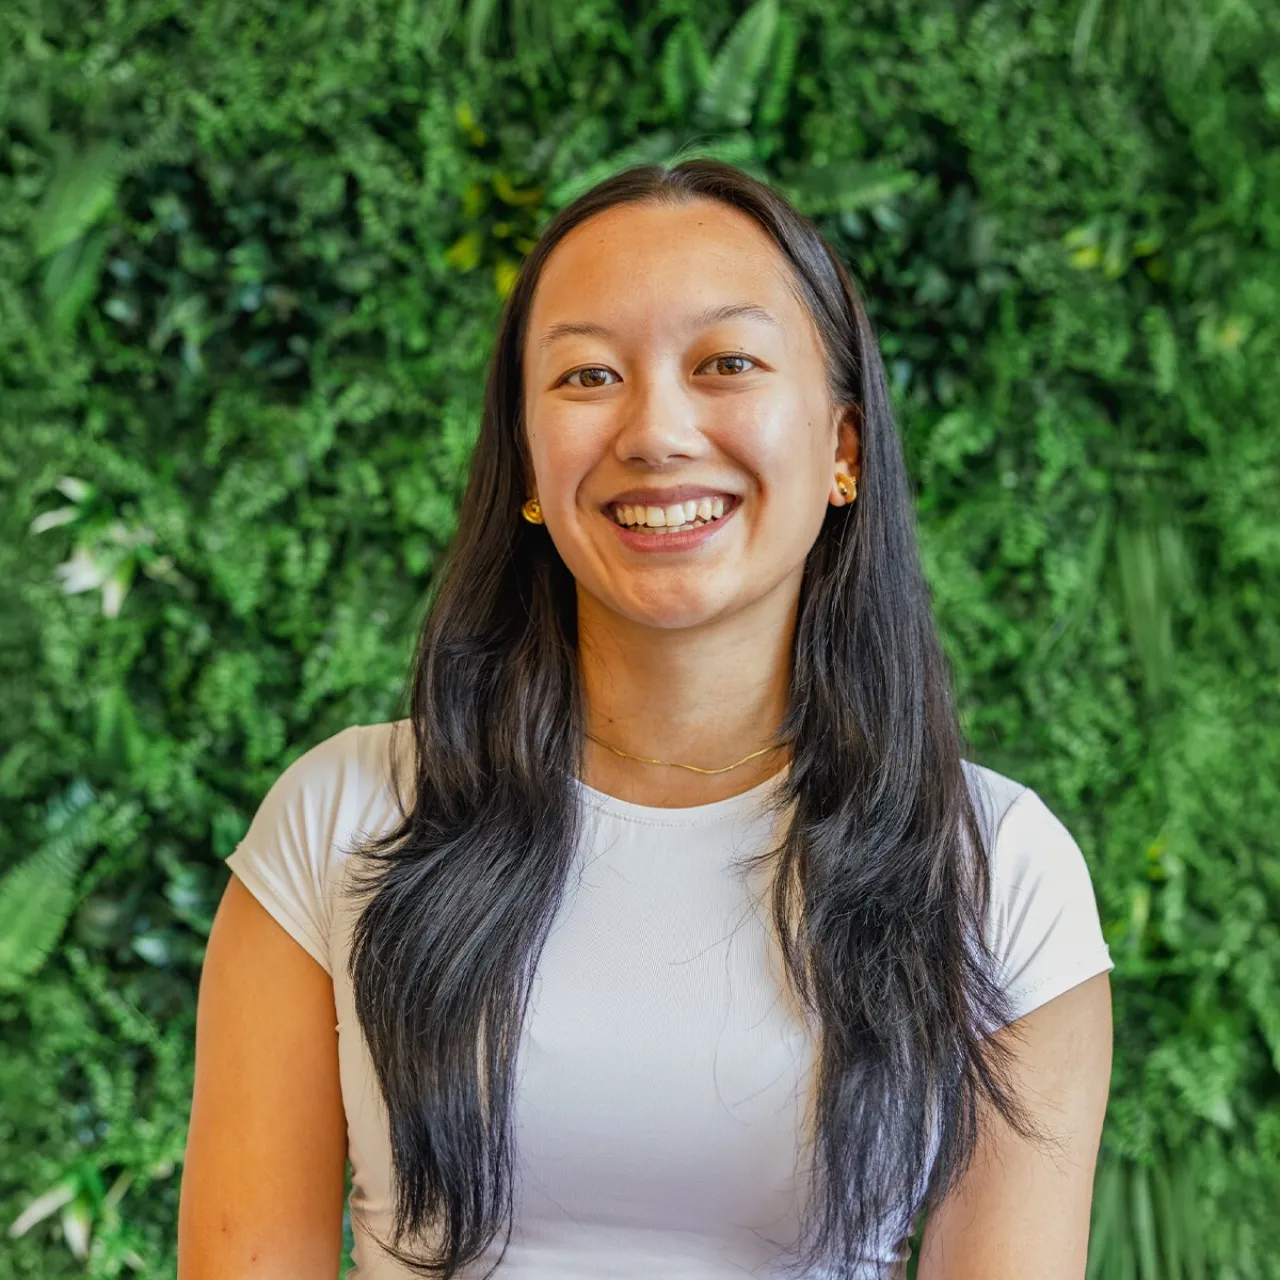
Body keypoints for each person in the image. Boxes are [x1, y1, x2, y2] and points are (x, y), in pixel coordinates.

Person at [177, 159, 1115, 1280]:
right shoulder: (344, 820)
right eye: (588, 375)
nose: (656, 431)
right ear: (527, 460)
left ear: (843, 447)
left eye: (726, 363)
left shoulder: (996, 871)